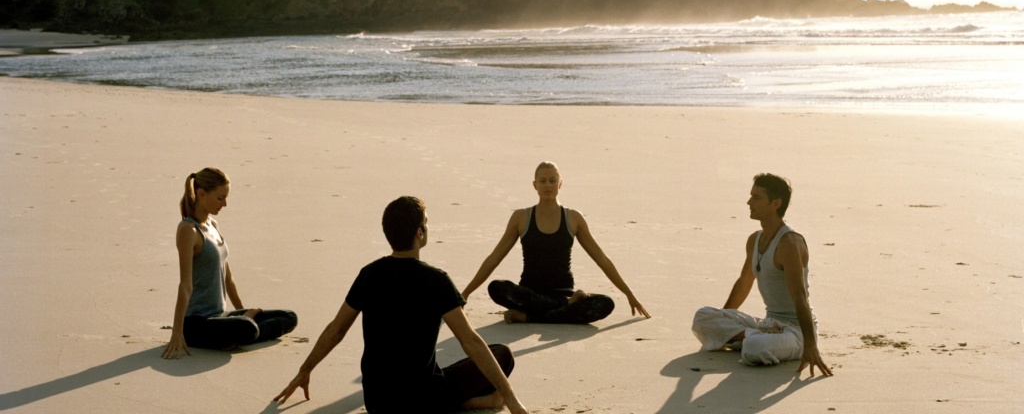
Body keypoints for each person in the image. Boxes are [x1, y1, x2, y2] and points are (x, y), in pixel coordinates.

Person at [274, 196, 528, 414]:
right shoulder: (436, 280)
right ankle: (474, 402)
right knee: (502, 354)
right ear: (419, 233)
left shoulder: (369, 274)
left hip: (378, 401)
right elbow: (470, 341)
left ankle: (468, 400)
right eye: (426, 223)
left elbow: (336, 330)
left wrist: (304, 370)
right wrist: (513, 399)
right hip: (423, 399)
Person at [462, 161, 650, 324]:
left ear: (560, 184)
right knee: (497, 287)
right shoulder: (521, 217)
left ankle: (530, 318)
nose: (548, 185)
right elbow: (494, 258)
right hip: (529, 293)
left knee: (605, 303)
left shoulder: (573, 218)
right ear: (534, 185)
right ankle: (561, 309)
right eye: (542, 181)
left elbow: (601, 259)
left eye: (553, 180)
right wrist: (465, 293)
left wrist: (629, 294)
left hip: (562, 293)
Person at [691, 173, 832, 376]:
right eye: (751, 196)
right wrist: (724, 321)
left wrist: (810, 345)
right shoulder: (754, 240)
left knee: (755, 348)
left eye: (756, 198)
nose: (749, 202)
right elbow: (744, 283)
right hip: (767, 325)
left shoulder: (790, 243)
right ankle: (750, 337)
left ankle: (753, 340)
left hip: (795, 331)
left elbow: (800, 296)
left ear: (775, 203)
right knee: (702, 317)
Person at [162, 168, 297, 359]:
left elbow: (228, 278)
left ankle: (238, 333)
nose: (225, 204)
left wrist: (242, 311)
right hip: (196, 323)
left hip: (221, 317)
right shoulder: (188, 231)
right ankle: (242, 331)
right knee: (247, 327)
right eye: (220, 198)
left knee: (289, 317)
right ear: (201, 194)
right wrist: (177, 333)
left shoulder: (213, 225)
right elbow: (185, 285)